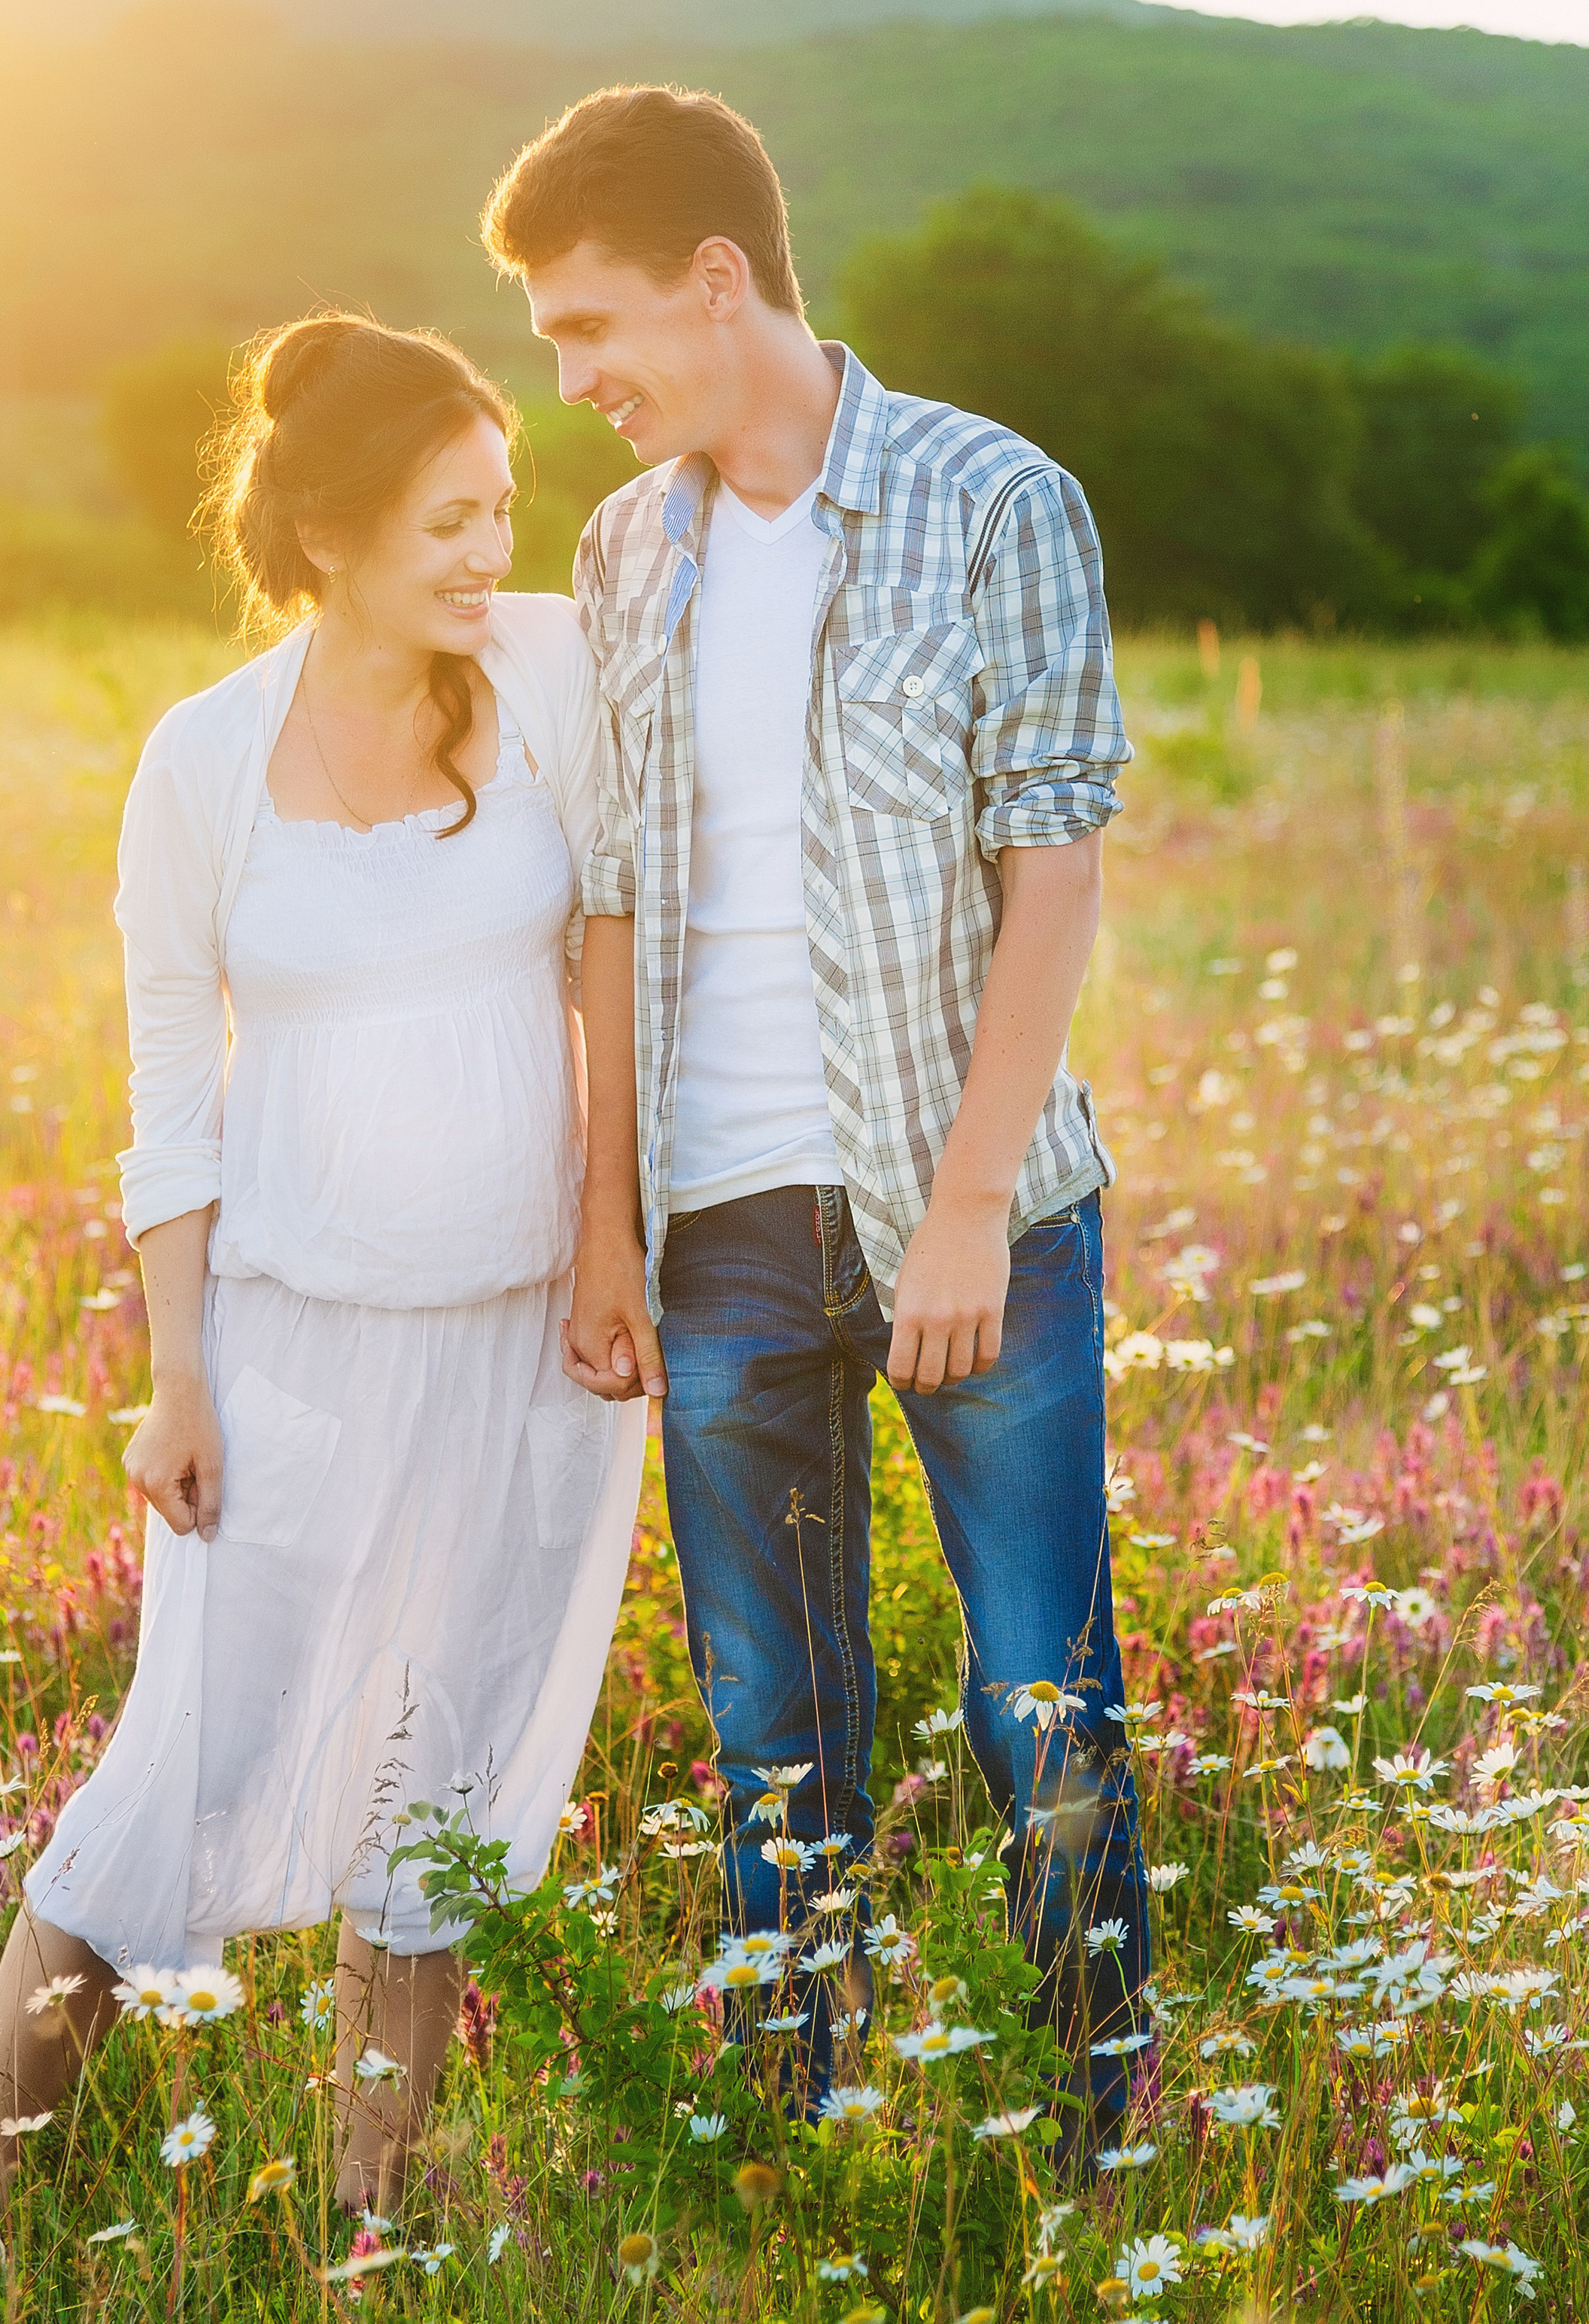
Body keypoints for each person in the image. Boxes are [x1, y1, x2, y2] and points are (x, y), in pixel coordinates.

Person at [482, 88, 1149, 2146]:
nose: (575, 382)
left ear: (717, 278)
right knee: (775, 1730)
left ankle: (1117, 2131)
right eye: (548, 348)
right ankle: (807, 2132)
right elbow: (606, 901)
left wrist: (957, 1211)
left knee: (1038, 1697)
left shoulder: (990, 497)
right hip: (716, 1227)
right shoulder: (622, 546)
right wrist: (607, 1226)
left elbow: (1056, 861)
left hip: (975, 1217)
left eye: (593, 329)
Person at [0, 312, 646, 2218]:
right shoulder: (200, 763)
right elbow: (169, 1083)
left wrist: (607, 1238)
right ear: (329, 531)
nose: (483, 552)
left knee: (452, 1771)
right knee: (186, 1760)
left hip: (520, 1347)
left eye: (499, 510)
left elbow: (609, 942)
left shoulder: (546, 683)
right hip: (290, 1348)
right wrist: (177, 1372)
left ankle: (368, 2222)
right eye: (444, 520)